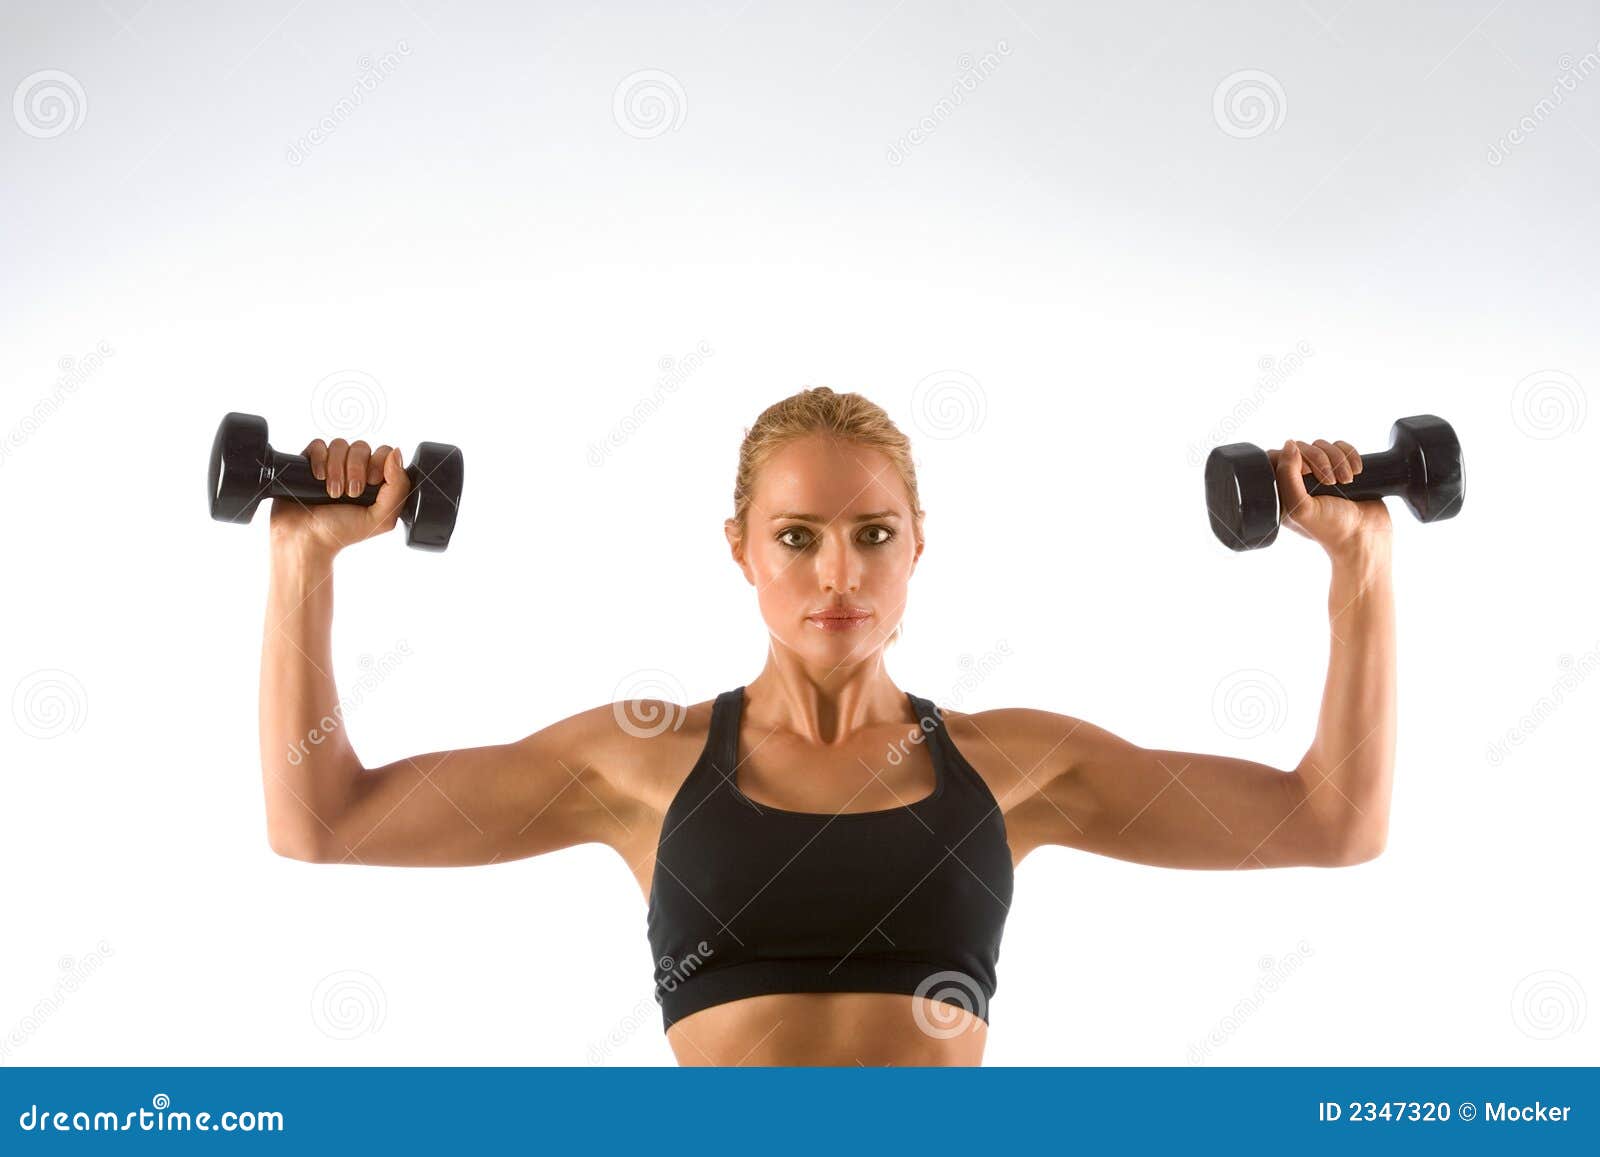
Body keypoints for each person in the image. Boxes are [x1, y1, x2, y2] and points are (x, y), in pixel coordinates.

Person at [260, 387, 1395, 1066]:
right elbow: (326, 818)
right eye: (796, 535)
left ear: (918, 543)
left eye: (873, 531)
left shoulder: (1018, 763)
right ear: (740, 548)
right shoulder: (637, 758)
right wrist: (302, 562)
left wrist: (1362, 565)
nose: (837, 570)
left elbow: (1330, 818)